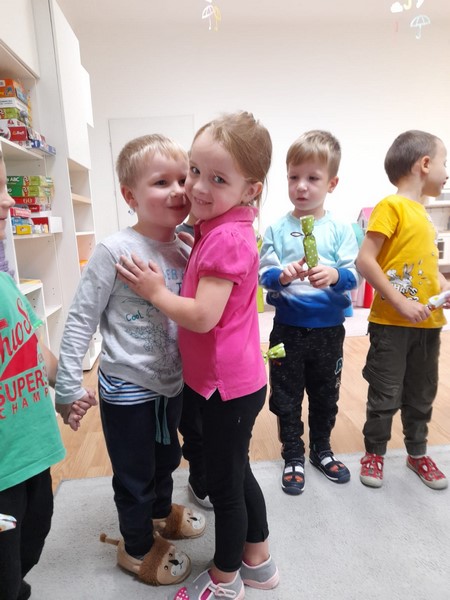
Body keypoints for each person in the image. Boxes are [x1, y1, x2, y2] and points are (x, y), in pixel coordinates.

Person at [116, 111, 279, 599]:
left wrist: (154, 291)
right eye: (195, 170)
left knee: (225, 487)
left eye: (218, 179)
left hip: (225, 387)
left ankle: (226, 578)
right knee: (236, 471)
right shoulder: (221, 225)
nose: (197, 187)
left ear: (251, 189)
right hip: (229, 381)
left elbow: (204, 316)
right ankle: (258, 560)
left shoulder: (225, 237)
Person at [55, 134, 206, 587]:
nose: (178, 190)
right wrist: (68, 386)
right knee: (134, 473)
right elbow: (80, 319)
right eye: (161, 182)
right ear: (130, 195)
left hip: (171, 383)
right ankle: (137, 546)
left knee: (167, 458)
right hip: (127, 388)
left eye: (182, 179)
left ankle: (160, 515)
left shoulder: (185, 248)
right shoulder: (114, 250)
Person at [0, 150, 93, 600]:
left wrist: (66, 389)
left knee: (34, 533)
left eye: (6, 187)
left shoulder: (4, 281)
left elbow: (32, 349)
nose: (8, 201)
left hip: (31, 452)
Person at [259, 130, 359, 495]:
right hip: (286, 329)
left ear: (331, 183)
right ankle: (292, 453)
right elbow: (263, 274)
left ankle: (321, 449)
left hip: (329, 331)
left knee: (325, 394)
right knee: (285, 396)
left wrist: (334, 275)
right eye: (293, 177)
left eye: (313, 178)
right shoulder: (276, 229)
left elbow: (354, 275)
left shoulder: (341, 229)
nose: (301, 186)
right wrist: (281, 276)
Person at [356, 130, 450, 490]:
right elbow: (365, 261)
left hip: (429, 325)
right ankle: (374, 453)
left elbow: (427, 268)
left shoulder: (425, 215)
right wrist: (401, 302)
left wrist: (442, 288)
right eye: (444, 163)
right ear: (424, 164)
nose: (446, 173)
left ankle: (418, 453)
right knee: (385, 392)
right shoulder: (391, 207)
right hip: (391, 323)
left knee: (422, 392)